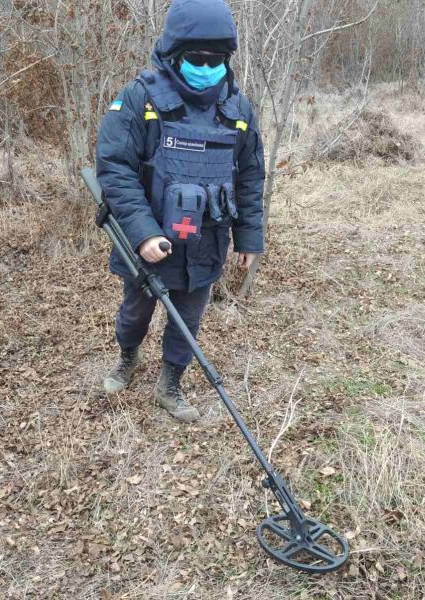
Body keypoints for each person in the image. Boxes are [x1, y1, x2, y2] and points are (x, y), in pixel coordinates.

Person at [95, 0, 265, 423]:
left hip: (206, 243)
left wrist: (248, 236)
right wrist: (142, 233)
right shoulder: (141, 97)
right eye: (196, 59)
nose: (206, 68)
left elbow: (249, 175)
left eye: (217, 60)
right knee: (135, 312)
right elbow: (114, 170)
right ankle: (127, 357)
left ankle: (170, 383)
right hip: (150, 240)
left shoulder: (237, 109)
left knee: (188, 319)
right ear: (173, 53)